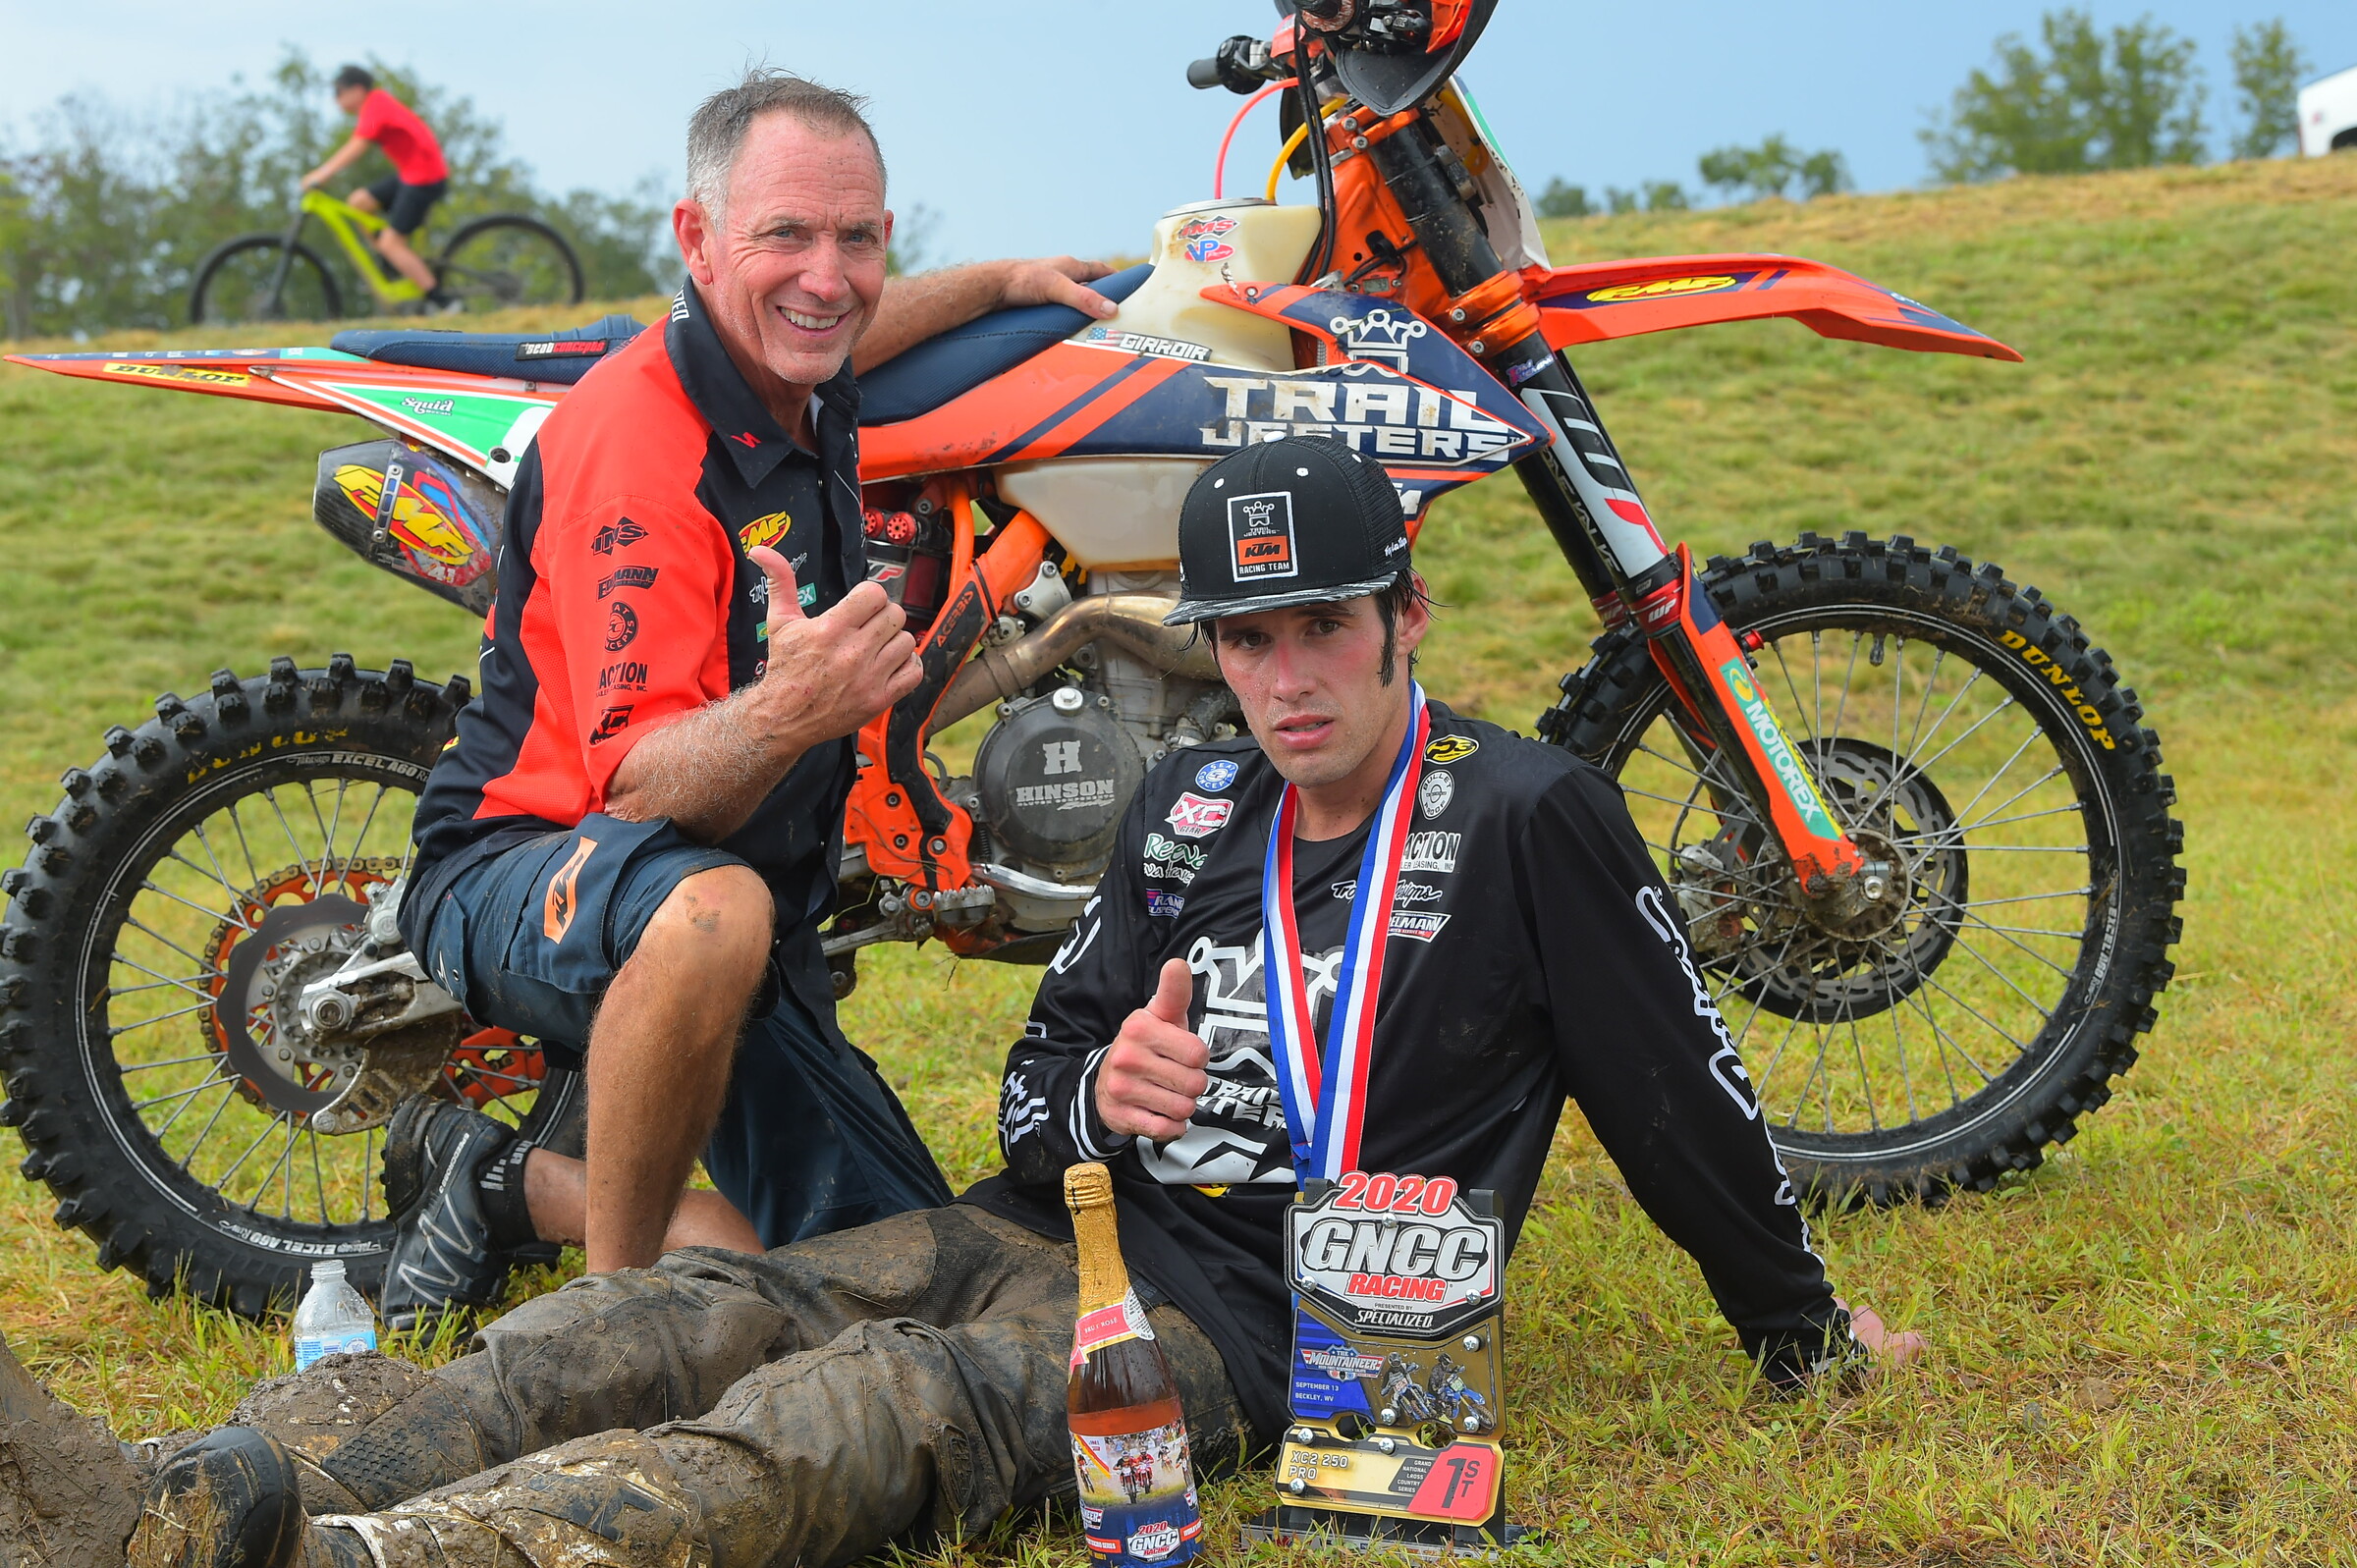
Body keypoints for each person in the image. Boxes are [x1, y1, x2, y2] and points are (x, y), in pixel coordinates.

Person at [1, 437, 1920, 1568]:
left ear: (1403, 619)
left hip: (1263, 1329)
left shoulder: (1530, 816)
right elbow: (1039, 1084)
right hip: (1046, 1229)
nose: (1289, 678)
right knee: (696, 1311)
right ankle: (197, 1499)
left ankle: (366, 1563)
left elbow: (1686, 1097)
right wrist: (1116, 1102)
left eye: (1326, 626)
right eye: (1249, 640)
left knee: (861, 1416)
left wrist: (1804, 1331)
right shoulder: (1195, 803)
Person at [371, 68, 1122, 1327]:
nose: (825, 275)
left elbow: (846, 323)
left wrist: (997, 284)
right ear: (698, 238)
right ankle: (608, 1330)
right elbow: (643, 785)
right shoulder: (640, 449)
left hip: (743, 919)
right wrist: (797, 708)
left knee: (923, 1300)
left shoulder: (794, 368)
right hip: (528, 858)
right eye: (784, 233)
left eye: (859, 237)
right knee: (711, 914)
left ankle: (499, 1178)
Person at [301, 67, 453, 305]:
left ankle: (442, 301)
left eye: (339, 92)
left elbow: (357, 146)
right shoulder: (376, 104)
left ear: (357, 90)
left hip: (424, 178)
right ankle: (392, 261)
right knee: (358, 203)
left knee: (391, 243)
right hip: (411, 174)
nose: (336, 99)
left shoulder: (376, 105)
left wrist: (322, 174)